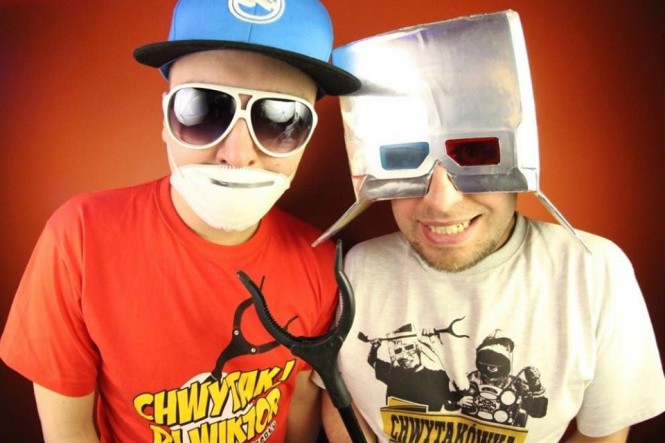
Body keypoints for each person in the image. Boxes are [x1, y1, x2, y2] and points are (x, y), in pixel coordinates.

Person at [0, 0, 359, 441]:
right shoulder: (79, 239)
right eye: (204, 109)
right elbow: (68, 431)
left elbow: (299, 414)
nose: (237, 155)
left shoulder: (319, 260)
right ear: (166, 118)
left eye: (280, 118)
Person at [317, 11, 665, 443]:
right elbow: (338, 395)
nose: (441, 202)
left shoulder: (594, 273)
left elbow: (604, 434)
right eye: (405, 160)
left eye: (473, 155)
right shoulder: (357, 269)